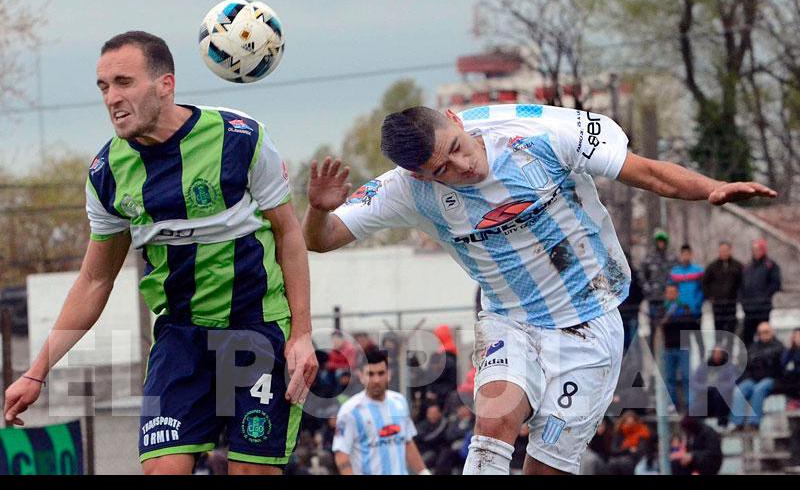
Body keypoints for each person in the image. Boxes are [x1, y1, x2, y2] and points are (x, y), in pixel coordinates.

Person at [302, 103, 776, 475]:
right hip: (511, 319)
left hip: (591, 320)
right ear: (419, 175)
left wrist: (711, 187)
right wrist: (319, 211)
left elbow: (646, 172)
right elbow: (318, 241)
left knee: (546, 467)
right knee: (492, 424)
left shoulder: (539, 137)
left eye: (457, 147)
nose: (461, 165)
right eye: (441, 168)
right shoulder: (407, 190)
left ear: (454, 119)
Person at [2, 31, 318, 475]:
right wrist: (37, 371)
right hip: (179, 341)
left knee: (250, 472)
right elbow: (95, 280)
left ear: (165, 85)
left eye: (124, 82)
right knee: (162, 470)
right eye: (104, 87)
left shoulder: (240, 138)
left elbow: (288, 235)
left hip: (257, 330)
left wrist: (301, 334)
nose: (112, 97)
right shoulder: (107, 172)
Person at [332, 348, 430, 475]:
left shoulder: (399, 402)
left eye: (381, 373)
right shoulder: (350, 411)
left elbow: (407, 442)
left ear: (388, 374)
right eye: (370, 374)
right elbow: (341, 454)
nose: (376, 380)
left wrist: (423, 472)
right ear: (361, 376)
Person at [730, 322, 785, 431]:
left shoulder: (779, 346)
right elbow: (748, 362)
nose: (763, 335)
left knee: (758, 390)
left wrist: (759, 358)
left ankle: (754, 423)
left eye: (766, 332)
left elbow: (773, 359)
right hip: (754, 378)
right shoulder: (754, 346)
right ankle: (737, 423)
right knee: (738, 391)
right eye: (761, 332)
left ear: (772, 332)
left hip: (771, 379)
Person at [640, 229, 678, 354]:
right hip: (654, 300)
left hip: (668, 301)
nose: (661, 244)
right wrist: (648, 290)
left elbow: (677, 276)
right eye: (659, 241)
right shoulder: (649, 258)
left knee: (670, 329)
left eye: (663, 241)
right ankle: (653, 358)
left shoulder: (672, 258)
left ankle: (668, 357)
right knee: (653, 330)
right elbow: (642, 276)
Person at [660, 284, 696, 412]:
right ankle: (672, 404)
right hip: (668, 347)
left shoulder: (684, 308)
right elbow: (662, 325)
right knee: (670, 378)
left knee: (687, 376)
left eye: (673, 292)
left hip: (683, 346)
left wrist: (673, 321)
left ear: (678, 293)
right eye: (668, 292)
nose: (671, 295)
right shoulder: (663, 309)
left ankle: (689, 404)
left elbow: (690, 324)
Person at [740, 238, 782, 347]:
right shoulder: (747, 267)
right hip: (749, 309)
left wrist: (763, 298)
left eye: (758, 249)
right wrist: (743, 301)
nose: (756, 251)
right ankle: (749, 361)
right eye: (754, 249)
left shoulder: (771, 265)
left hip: (763, 309)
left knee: (764, 337)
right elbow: (741, 286)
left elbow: (775, 284)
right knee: (746, 337)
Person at [702, 241, 743, 352]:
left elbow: (742, 283)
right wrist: (710, 297)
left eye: (726, 250)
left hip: (731, 304)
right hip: (717, 306)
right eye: (721, 251)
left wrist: (739, 297)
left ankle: (729, 356)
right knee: (718, 333)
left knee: (731, 331)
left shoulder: (737, 266)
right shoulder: (712, 267)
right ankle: (719, 356)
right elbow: (704, 283)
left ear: (730, 251)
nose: (724, 253)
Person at [669, 244, 705, 360]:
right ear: (681, 255)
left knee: (699, 341)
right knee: (685, 343)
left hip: (695, 311)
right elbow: (671, 291)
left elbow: (703, 289)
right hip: (681, 313)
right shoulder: (675, 272)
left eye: (687, 254)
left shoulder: (698, 270)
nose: (685, 256)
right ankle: (686, 370)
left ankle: (703, 366)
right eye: (683, 254)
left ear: (691, 255)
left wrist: (697, 303)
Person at [689, 346, 739, 427]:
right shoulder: (703, 366)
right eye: (715, 353)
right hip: (705, 395)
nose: (717, 355)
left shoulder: (729, 367)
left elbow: (733, 382)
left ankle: (722, 424)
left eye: (719, 353)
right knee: (694, 408)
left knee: (719, 396)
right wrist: (705, 387)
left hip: (722, 397)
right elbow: (693, 382)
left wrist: (719, 387)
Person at [619, 250, 644, 355]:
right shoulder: (615, 275)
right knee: (620, 344)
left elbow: (640, 292)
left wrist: (635, 306)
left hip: (632, 313)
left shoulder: (634, 274)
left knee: (633, 344)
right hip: (620, 315)